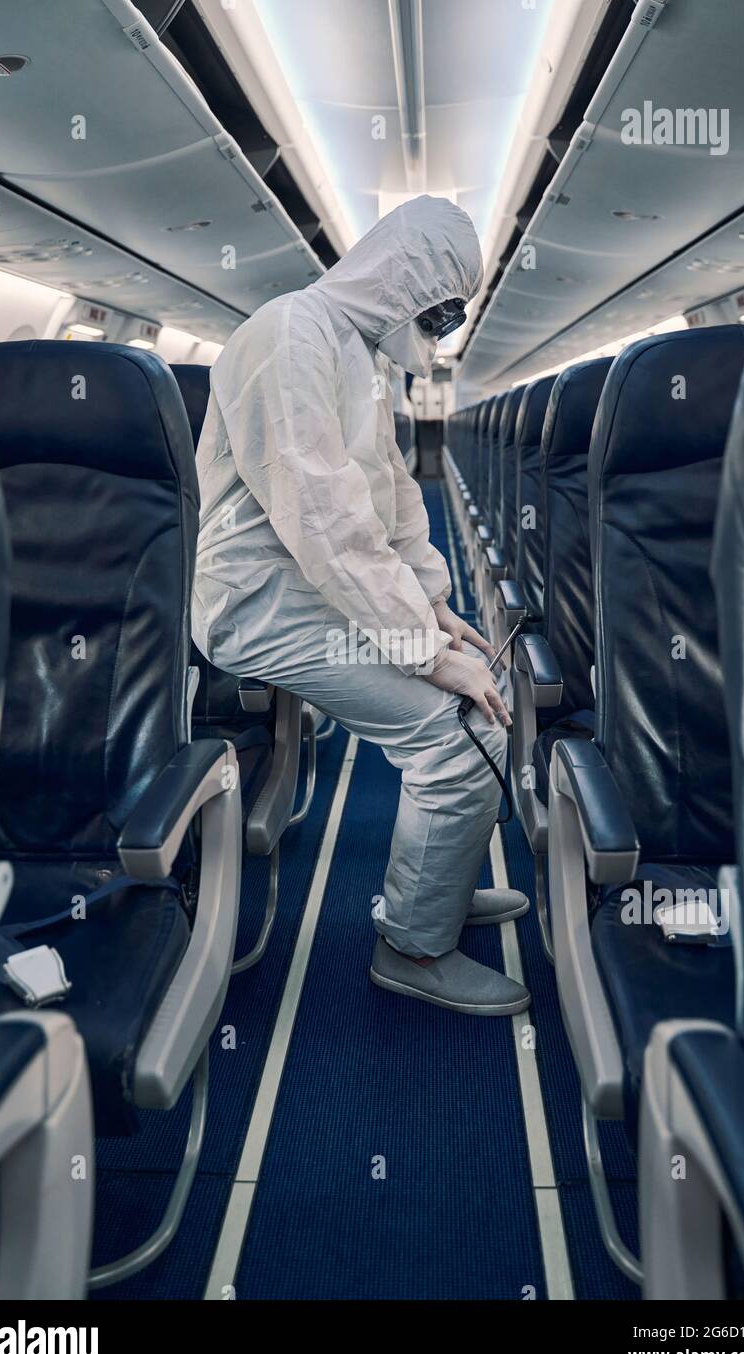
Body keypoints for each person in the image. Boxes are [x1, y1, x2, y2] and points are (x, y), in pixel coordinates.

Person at [192, 195, 530, 1015]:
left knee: (482, 687)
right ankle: (413, 947)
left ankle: (433, 889)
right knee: (461, 733)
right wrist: (422, 648)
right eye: (439, 311)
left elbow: (391, 502)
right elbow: (326, 521)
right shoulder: (288, 337)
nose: (443, 332)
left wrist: (438, 610)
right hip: (260, 602)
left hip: (315, 589)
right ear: (400, 276)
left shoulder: (360, 356)